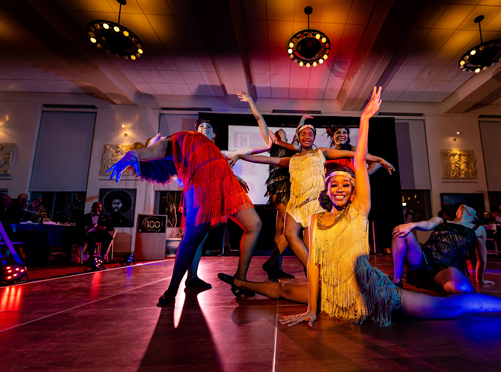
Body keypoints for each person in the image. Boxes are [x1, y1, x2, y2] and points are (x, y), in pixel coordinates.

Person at [218, 87, 501, 327]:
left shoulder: (359, 209)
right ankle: (241, 281)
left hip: (371, 293)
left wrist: (363, 120)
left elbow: (358, 163)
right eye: (336, 183)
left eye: (347, 183)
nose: (343, 186)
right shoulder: (314, 219)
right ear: (327, 191)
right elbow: (311, 265)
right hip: (332, 293)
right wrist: (311, 308)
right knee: (282, 291)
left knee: (449, 310)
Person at [108, 119, 265, 306]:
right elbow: (155, 151)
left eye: (209, 127)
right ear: (195, 130)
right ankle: (173, 289)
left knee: (254, 224)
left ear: (213, 135)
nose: (204, 128)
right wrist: (135, 154)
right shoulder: (182, 137)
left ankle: (240, 279)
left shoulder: (216, 150)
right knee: (193, 238)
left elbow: (226, 161)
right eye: (201, 126)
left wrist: (235, 175)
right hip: (201, 189)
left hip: (226, 187)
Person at [232, 118, 394, 275]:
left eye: (310, 134)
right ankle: (313, 273)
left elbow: (354, 154)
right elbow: (264, 160)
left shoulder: (320, 152)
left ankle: (313, 276)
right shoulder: (292, 159)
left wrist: (378, 159)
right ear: (299, 138)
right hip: (296, 204)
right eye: (304, 134)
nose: (307, 136)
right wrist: (240, 155)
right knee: (289, 234)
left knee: (310, 244)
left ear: (313, 137)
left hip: (314, 204)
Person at [237, 92, 296, 281]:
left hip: (291, 188)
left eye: (282, 131)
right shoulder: (271, 143)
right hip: (278, 186)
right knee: (292, 226)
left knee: (280, 229)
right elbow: (259, 118)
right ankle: (273, 261)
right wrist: (251, 102)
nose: (279, 131)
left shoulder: (293, 146)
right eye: (276, 131)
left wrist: (303, 119)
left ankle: (275, 268)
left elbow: (302, 135)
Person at [391, 203, 493, 292]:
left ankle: (444, 286)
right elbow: (427, 224)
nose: (463, 206)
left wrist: (480, 280)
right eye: (459, 208)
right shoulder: (441, 220)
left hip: (444, 269)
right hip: (422, 260)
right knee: (400, 231)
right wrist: (411, 225)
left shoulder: (479, 229)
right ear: (456, 214)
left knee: (463, 288)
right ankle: (396, 281)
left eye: (469, 206)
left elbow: (481, 259)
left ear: (475, 217)